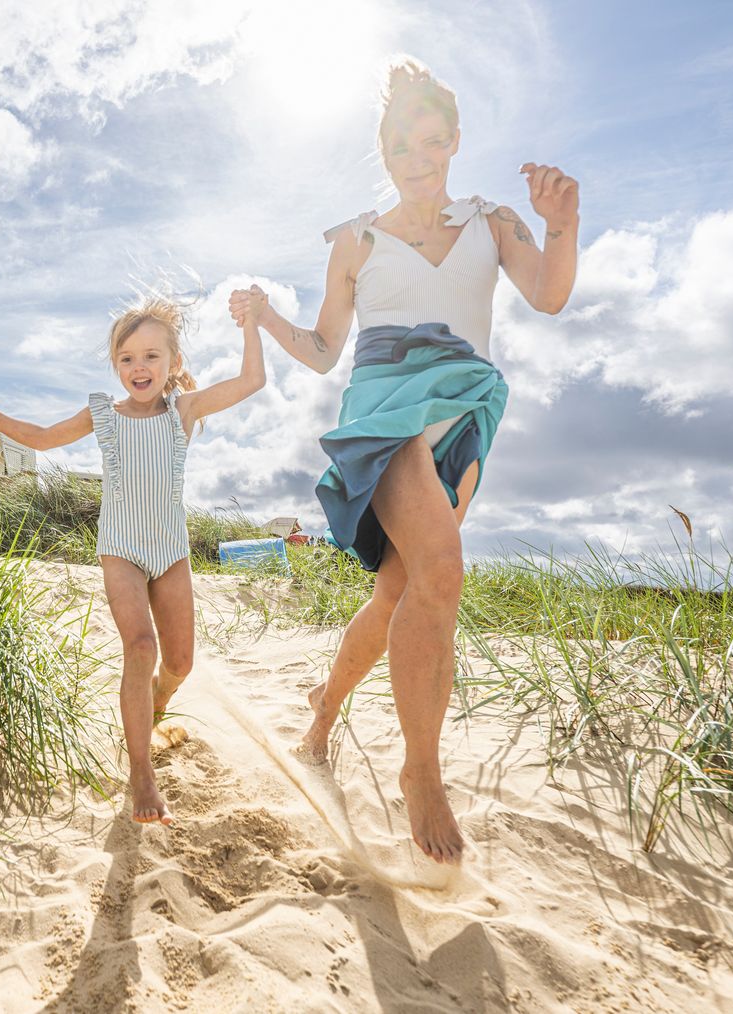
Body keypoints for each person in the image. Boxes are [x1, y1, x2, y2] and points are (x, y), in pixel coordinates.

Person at [229, 58, 579, 863]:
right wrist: (269, 317)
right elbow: (322, 351)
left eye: (430, 143)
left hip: (460, 411)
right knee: (442, 571)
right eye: (399, 148)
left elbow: (549, 295)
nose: (417, 161)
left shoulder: (494, 224)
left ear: (454, 141)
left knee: (399, 593)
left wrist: (561, 224)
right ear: (382, 154)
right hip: (385, 410)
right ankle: (421, 769)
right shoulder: (355, 241)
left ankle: (322, 712)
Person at [0, 292, 267, 824]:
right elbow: (43, 437)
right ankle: (142, 770)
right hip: (120, 547)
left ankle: (158, 701)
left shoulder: (184, 410)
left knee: (179, 663)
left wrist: (251, 325)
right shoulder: (103, 414)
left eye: (151, 356)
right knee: (140, 646)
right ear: (115, 366)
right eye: (127, 358)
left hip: (170, 550)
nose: (139, 367)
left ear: (172, 364)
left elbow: (251, 382)